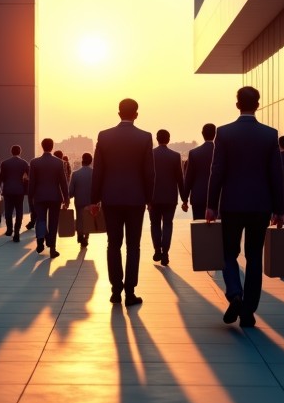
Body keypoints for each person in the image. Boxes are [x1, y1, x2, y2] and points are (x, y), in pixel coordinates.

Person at [206, 86, 284, 328]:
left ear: (237, 104)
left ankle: (234, 293)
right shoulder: (269, 135)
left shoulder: (225, 133)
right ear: (258, 104)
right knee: (254, 257)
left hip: (231, 204)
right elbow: (276, 174)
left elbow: (216, 171)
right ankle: (248, 312)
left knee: (229, 253)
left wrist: (211, 205)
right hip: (260, 205)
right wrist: (279, 209)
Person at [90, 98, 154, 306]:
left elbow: (98, 171)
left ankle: (115, 290)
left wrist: (94, 200)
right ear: (136, 114)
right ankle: (130, 292)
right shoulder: (145, 137)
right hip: (136, 199)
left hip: (111, 199)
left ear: (118, 113)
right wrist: (149, 199)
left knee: (113, 245)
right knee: (133, 246)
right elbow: (149, 172)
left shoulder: (104, 136)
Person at [28, 138, 69, 256]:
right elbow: (63, 182)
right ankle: (52, 249)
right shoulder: (59, 162)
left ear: (42, 146)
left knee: (40, 219)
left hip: (39, 196)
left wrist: (31, 196)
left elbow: (32, 182)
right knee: (53, 222)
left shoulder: (34, 162)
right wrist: (66, 198)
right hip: (55, 196)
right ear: (52, 146)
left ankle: (40, 240)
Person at [150, 129, 185, 266]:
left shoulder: (150, 155)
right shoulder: (175, 156)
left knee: (155, 224)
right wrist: (184, 198)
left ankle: (157, 249)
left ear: (157, 139)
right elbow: (180, 179)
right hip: (170, 197)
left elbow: (147, 177)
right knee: (168, 224)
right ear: (168, 139)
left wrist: (146, 198)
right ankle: (165, 253)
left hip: (153, 197)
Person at [182, 123, 216, 219]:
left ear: (202, 133)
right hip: (217, 198)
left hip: (198, 197)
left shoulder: (194, 153)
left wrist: (185, 200)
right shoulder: (219, 152)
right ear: (215, 134)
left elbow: (188, 178)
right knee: (217, 230)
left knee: (199, 228)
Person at [0, 144, 29, 242]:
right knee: (19, 211)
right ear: (20, 152)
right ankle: (17, 231)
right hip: (19, 190)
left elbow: (1, 178)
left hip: (8, 189)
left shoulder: (4, 163)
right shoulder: (24, 163)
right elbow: (29, 177)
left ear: (11, 152)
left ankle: (9, 229)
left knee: (8, 210)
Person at [69, 152, 94, 248]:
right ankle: (86, 237)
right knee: (89, 218)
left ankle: (80, 235)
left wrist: (68, 198)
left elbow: (71, 190)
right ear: (91, 161)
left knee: (79, 218)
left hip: (79, 200)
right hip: (91, 200)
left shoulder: (75, 174)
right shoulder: (95, 173)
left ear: (82, 160)